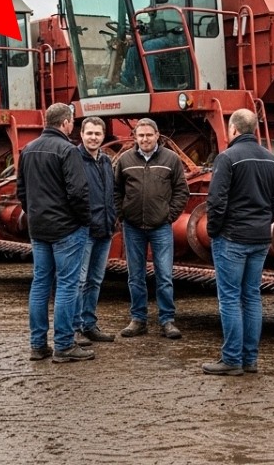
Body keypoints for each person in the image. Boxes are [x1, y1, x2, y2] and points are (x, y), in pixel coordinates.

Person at [201, 108, 274, 376]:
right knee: (251, 296)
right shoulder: (272, 160)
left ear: (234, 129)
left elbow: (216, 201)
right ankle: (249, 360)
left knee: (229, 298)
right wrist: (262, 221)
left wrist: (214, 231)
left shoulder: (227, 158)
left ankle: (231, 360)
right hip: (260, 239)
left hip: (231, 238)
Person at [18, 102, 94, 363]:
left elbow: (21, 191)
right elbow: (78, 192)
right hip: (67, 229)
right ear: (65, 123)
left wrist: (34, 214)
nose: (72, 125)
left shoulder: (28, 149)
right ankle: (64, 345)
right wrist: (84, 220)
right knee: (67, 285)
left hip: (39, 228)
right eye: (72, 121)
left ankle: (38, 345)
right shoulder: (67, 150)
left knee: (40, 284)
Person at [113, 117, 189, 339]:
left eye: (149, 135)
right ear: (135, 137)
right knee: (135, 276)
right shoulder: (125, 160)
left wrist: (169, 216)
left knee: (164, 276)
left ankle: (167, 320)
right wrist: (122, 214)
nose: (145, 139)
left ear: (157, 135)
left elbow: (181, 191)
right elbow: (116, 191)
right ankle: (138, 319)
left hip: (160, 227)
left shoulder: (171, 159)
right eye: (141, 135)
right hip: (133, 227)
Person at [76, 116, 118, 344]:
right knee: (79, 281)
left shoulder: (105, 161)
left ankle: (89, 324)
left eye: (97, 134)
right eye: (89, 133)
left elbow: (111, 193)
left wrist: (113, 218)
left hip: (104, 229)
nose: (93, 137)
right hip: (84, 230)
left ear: (103, 136)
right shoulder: (74, 160)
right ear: (81, 134)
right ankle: (75, 328)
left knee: (95, 280)